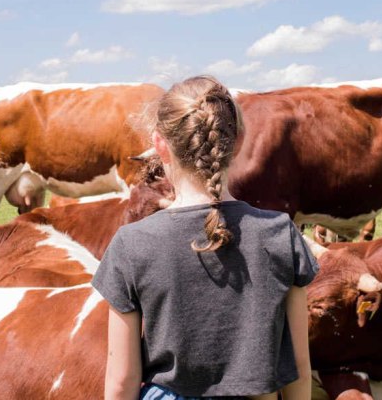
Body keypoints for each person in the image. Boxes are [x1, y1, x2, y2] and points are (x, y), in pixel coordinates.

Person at [92, 76, 319, 400]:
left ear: (159, 144)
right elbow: (298, 365)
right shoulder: (281, 234)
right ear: (238, 141)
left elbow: (122, 380)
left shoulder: (132, 244)